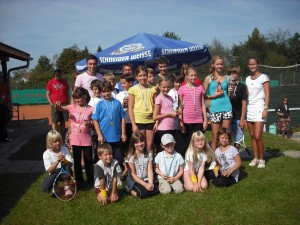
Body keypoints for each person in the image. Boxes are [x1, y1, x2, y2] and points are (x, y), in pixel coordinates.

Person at [56, 87, 94, 188]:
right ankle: (79, 180)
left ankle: (90, 179)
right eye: (76, 98)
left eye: (79, 98)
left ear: (85, 96)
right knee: (76, 161)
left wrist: (89, 124)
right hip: (75, 139)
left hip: (86, 139)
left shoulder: (91, 109)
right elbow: (60, 108)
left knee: (88, 160)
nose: (77, 100)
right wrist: (57, 105)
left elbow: (94, 123)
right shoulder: (72, 107)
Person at [92, 81, 126, 170]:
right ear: (100, 92)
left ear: (111, 90)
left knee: (117, 157)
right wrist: (99, 134)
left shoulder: (117, 102)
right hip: (104, 137)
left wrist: (123, 133)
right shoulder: (99, 104)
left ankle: (117, 175)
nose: (106, 93)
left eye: (108, 91)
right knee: (105, 157)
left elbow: (122, 117)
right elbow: (95, 119)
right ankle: (105, 174)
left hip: (116, 135)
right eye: (103, 91)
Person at [204, 55, 232, 151]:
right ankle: (214, 160)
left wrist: (231, 92)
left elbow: (230, 94)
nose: (219, 66)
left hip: (227, 108)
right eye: (217, 64)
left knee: (225, 136)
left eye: (221, 64)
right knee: (215, 136)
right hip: (215, 108)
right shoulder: (209, 78)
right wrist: (213, 96)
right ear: (213, 65)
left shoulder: (228, 78)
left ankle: (227, 158)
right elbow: (202, 95)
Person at [246, 57, 270, 168]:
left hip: (260, 108)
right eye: (250, 64)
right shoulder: (247, 79)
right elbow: (247, 94)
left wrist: (266, 108)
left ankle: (262, 159)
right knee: (252, 135)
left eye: (254, 64)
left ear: (258, 65)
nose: (252, 66)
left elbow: (267, 93)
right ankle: (255, 158)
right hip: (249, 108)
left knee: (257, 136)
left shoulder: (263, 77)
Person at [178, 68, 208, 152]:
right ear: (186, 76)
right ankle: (187, 161)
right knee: (187, 142)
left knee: (199, 141)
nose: (193, 77)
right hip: (186, 120)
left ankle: (199, 161)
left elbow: (203, 104)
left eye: (195, 75)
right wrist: (180, 122)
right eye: (191, 75)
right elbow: (180, 106)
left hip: (198, 119)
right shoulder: (182, 89)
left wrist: (205, 120)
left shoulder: (200, 88)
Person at [128, 66, 157, 153]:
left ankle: (149, 166)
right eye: (140, 75)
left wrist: (157, 121)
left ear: (147, 76)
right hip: (139, 120)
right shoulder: (133, 89)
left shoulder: (152, 88)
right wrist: (133, 124)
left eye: (144, 75)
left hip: (150, 120)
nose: (142, 77)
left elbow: (156, 105)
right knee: (140, 145)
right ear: (137, 77)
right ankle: (140, 166)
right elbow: (130, 107)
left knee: (149, 145)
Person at [125, 131, 159, 199]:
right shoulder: (130, 156)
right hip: (135, 180)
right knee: (143, 194)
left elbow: (150, 170)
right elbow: (133, 175)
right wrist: (145, 184)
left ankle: (145, 187)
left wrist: (150, 183)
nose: (140, 144)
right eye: (137, 142)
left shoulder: (149, 152)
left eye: (141, 141)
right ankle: (129, 189)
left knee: (155, 191)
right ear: (133, 144)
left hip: (146, 178)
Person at [41, 130, 74, 196]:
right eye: (55, 141)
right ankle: (55, 186)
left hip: (65, 171)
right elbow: (49, 170)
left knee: (66, 166)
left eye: (59, 140)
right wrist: (57, 161)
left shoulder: (64, 149)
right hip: (54, 173)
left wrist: (64, 160)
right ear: (50, 142)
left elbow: (71, 164)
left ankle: (67, 187)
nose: (58, 143)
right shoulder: (46, 153)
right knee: (45, 186)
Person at [153, 77, 180, 152]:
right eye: (164, 87)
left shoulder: (170, 98)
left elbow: (169, 110)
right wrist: (170, 114)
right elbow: (155, 116)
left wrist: (175, 112)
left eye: (168, 87)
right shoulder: (159, 98)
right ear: (159, 86)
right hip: (163, 128)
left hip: (171, 127)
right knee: (163, 149)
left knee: (171, 149)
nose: (166, 89)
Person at [228, 65, 248, 150]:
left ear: (238, 74)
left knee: (238, 139)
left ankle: (236, 156)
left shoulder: (242, 87)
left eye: (234, 73)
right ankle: (228, 157)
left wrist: (243, 118)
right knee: (227, 138)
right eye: (230, 73)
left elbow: (244, 103)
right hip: (228, 116)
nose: (232, 75)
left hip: (238, 116)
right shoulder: (226, 86)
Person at [46, 69, 70, 139]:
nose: (57, 76)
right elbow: (47, 94)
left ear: (61, 74)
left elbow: (67, 93)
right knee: (54, 121)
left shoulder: (65, 82)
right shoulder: (51, 82)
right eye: (56, 75)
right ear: (54, 74)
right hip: (55, 104)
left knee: (62, 121)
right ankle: (55, 137)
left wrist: (68, 103)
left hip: (64, 104)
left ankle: (62, 136)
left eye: (59, 75)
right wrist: (51, 103)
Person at [168, 72, 185, 156]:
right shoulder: (170, 93)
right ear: (173, 82)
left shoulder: (185, 91)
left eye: (180, 82)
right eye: (176, 82)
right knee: (178, 144)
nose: (179, 84)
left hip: (186, 120)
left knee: (185, 144)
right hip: (175, 123)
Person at [116, 74, 135, 151]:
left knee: (134, 143)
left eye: (124, 83)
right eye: (121, 83)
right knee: (125, 143)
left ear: (130, 83)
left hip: (134, 121)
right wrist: (122, 104)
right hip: (124, 122)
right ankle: (125, 161)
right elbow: (116, 109)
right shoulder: (119, 95)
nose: (122, 85)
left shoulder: (135, 92)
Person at [88, 79, 102, 163]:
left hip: (103, 126)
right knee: (95, 145)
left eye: (99, 89)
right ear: (92, 89)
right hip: (93, 127)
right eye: (95, 89)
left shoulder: (103, 99)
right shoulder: (90, 102)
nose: (97, 91)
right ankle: (95, 162)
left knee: (102, 144)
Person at [0, 72, 12, 142]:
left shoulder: (4, 85)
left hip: (4, 106)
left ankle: (5, 137)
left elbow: (7, 94)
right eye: (0, 77)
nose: (0, 79)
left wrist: (7, 102)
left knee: (4, 122)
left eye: (1, 77)